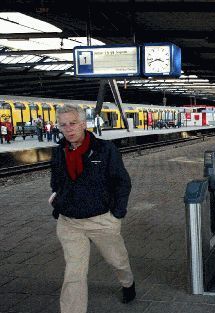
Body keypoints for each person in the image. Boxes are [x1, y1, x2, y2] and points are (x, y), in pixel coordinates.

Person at [49, 104, 135, 313]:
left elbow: (122, 182)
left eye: (73, 123)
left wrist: (117, 214)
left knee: (118, 260)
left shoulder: (105, 149)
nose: (68, 129)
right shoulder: (59, 152)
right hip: (70, 222)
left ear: (84, 124)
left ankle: (128, 283)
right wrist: (57, 200)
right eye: (63, 125)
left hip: (102, 220)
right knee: (74, 273)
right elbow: (57, 182)